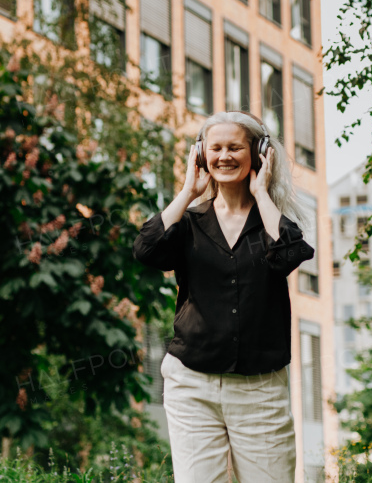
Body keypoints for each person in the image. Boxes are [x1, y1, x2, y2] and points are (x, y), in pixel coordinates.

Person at [134, 110, 315, 483]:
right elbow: (146, 249)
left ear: (259, 154)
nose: (224, 156)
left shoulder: (272, 222)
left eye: (235, 147)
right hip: (192, 384)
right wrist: (187, 191)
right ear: (202, 155)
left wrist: (261, 193)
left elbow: (289, 255)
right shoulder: (189, 223)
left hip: (259, 389)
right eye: (215, 148)